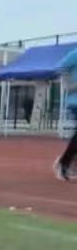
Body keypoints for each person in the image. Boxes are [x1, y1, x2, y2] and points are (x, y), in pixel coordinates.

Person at [52, 46, 77, 181]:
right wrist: (70, 85)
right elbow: (61, 67)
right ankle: (64, 163)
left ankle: (68, 162)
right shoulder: (75, 53)